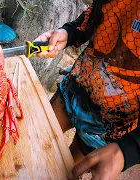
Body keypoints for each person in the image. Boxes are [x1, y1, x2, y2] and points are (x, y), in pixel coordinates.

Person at [34, 0, 140, 179]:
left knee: (64, 172)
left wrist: (129, 148)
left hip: (113, 124)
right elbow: (98, 12)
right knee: (35, 142)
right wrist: (69, 32)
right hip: (76, 86)